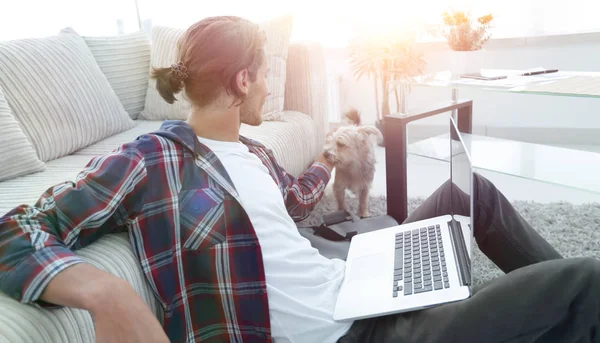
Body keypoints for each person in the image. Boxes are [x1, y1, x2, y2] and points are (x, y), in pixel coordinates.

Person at [0, 16, 599, 343]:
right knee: (585, 281)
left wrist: (327, 155)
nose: (269, 87)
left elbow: (295, 198)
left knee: (472, 196)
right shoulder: (151, 158)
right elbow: (17, 230)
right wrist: (105, 293)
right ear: (241, 81)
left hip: (357, 287)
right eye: (265, 75)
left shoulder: (253, 151)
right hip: (349, 336)